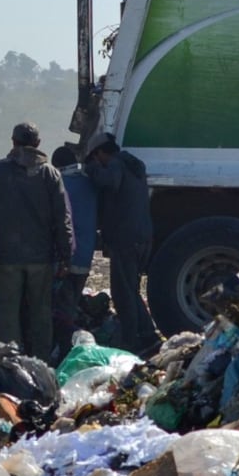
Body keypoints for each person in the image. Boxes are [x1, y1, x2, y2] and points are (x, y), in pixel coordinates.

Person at [0, 122, 72, 361]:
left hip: (6, 257)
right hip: (41, 258)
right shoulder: (50, 173)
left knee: (8, 313)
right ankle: (40, 361)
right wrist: (66, 255)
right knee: (41, 312)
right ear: (37, 144)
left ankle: (12, 362)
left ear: (13, 142)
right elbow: (62, 217)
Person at [86, 131, 160, 352]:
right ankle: (148, 336)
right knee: (132, 289)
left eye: (95, 158)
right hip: (143, 235)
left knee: (122, 292)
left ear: (100, 153)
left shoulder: (116, 166)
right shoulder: (134, 166)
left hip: (125, 238)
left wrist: (90, 170)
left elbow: (108, 181)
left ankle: (132, 341)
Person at [52, 143, 98, 352]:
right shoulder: (89, 183)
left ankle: (64, 349)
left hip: (67, 257)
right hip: (85, 256)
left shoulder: (61, 185)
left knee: (62, 308)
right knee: (72, 303)